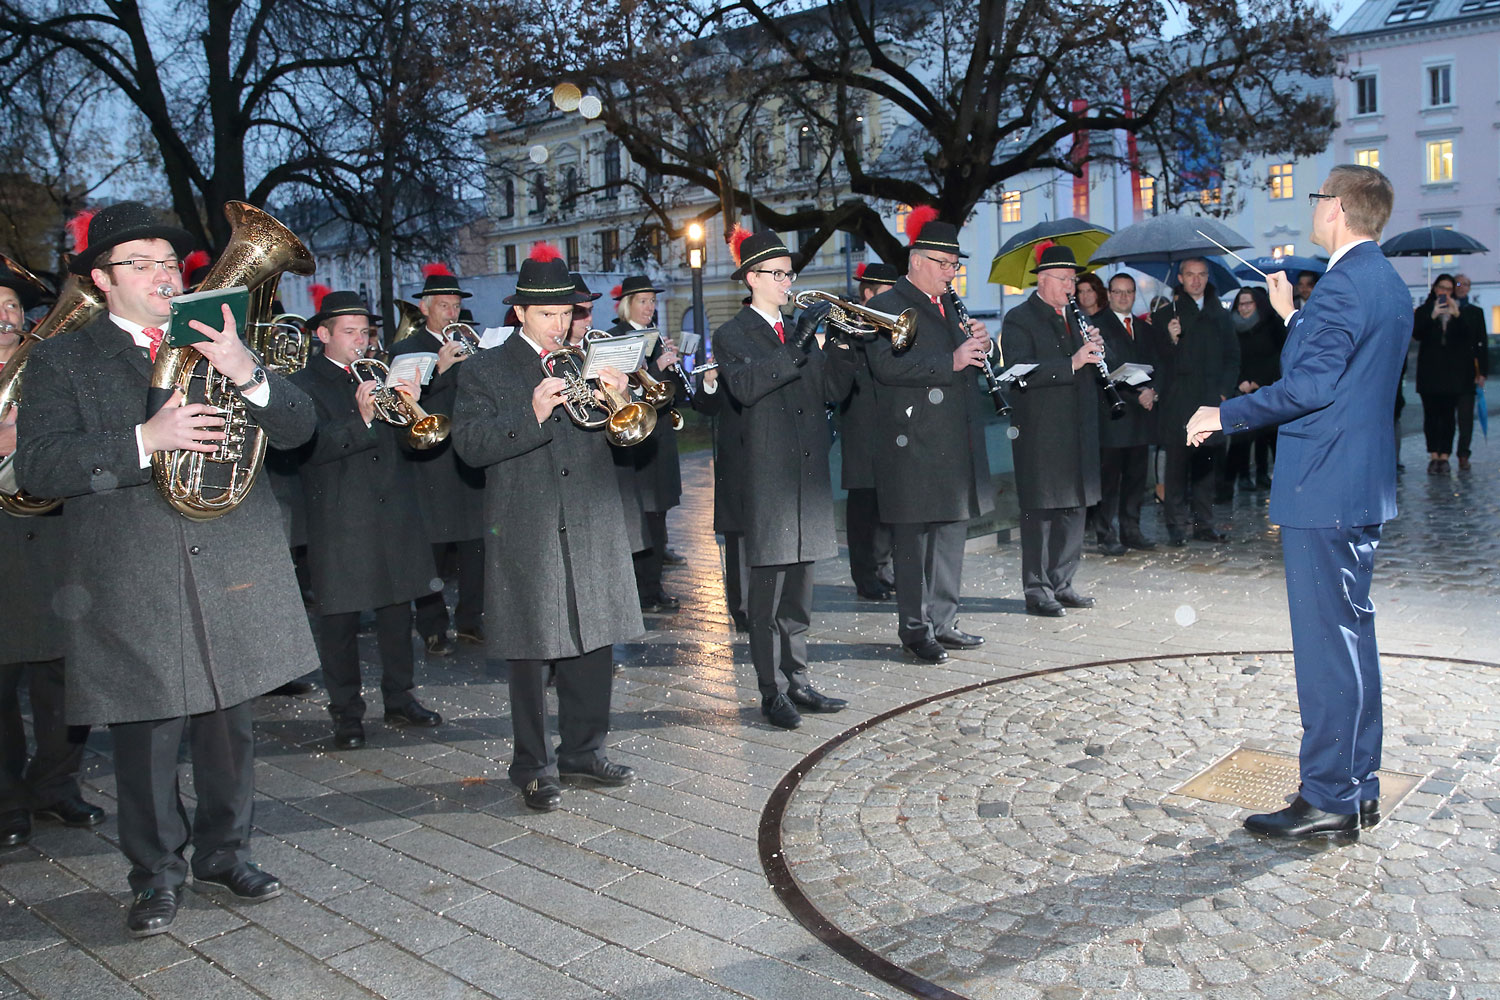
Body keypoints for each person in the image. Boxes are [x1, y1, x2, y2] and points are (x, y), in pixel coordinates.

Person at [14, 202, 318, 935]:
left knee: (229, 725)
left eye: (168, 263)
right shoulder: (62, 357)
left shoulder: (223, 336)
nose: (162, 276)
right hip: (132, 569)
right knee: (147, 734)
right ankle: (155, 873)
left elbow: (303, 430)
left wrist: (246, 370)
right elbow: (39, 466)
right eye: (140, 265)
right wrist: (144, 440)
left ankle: (226, 851)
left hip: (230, 562)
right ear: (100, 279)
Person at [1187, 164, 1411, 841]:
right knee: (1351, 640)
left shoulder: (1344, 285)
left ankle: (1329, 798)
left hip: (1325, 487)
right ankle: (1357, 785)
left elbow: (1310, 388)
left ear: (1337, 207)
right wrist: (1295, 317)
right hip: (1357, 485)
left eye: (1318, 199)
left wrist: (1224, 415)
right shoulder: (1384, 282)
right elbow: (1343, 367)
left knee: (1325, 651)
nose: (1314, 209)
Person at [451, 243, 641, 812]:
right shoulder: (485, 369)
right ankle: (533, 765)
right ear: (519, 314)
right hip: (526, 520)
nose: (561, 325)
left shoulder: (590, 357)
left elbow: (629, 435)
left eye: (567, 314)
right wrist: (530, 413)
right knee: (531, 650)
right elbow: (469, 446)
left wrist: (622, 397)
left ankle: (584, 750)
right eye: (547, 315)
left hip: (589, 516)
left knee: (593, 639)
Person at [712, 227, 856, 729]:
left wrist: (839, 343)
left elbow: (832, 390)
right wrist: (798, 342)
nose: (786, 282)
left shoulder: (801, 332)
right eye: (777, 274)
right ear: (751, 278)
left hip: (807, 476)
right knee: (766, 595)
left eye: (789, 274)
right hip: (767, 480)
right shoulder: (731, 334)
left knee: (800, 591)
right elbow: (749, 387)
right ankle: (770, 690)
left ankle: (798, 678)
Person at [287, 290, 443, 750]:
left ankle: (400, 696)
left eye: (366, 332)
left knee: (399, 613)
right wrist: (363, 417)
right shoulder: (302, 384)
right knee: (339, 624)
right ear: (323, 335)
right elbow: (309, 450)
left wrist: (412, 407)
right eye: (350, 332)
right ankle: (347, 714)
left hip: (394, 510)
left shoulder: (383, 376)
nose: (362, 341)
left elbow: (418, 444)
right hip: (340, 518)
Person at [0, 263, 105, 850]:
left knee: (65, 678)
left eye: (13, 305)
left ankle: (56, 786)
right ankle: (7, 798)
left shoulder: (52, 365)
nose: (5, 316)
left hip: (59, 540)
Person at [866, 207, 995, 662]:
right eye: (944, 264)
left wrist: (982, 345)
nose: (951, 273)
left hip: (953, 438)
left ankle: (945, 621)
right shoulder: (886, 306)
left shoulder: (949, 305)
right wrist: (952, 361)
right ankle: (915, 628)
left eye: (955, 266)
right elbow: (885, 367)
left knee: (950, 535)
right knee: (913, 541)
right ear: (917, 260)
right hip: (913, 441)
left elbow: (965, 358)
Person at [1000, 246, 1103, 614]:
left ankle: (1063, 582)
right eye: (1064, 279)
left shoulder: (1076, 319)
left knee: (1075, 509)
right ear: (1042, 280)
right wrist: (1072, 362)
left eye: (1073, 280)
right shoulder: (1018, 319)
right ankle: (1037, 589)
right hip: (1041, 433)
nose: (1071, 287)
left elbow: (1084, 369)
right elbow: (1018, 374)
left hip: (1078, 429)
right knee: (1040, 513)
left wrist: (1094, 351)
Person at [388, 263, 485, 656]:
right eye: (443, 306)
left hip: (469, 459)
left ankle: (471, 621)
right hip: (430, 465)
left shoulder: (473, 347)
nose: (451, 313)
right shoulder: (404, 350)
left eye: (455, 306)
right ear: (425, 308)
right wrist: (441, 369)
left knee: (476, 550)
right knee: (432, 554)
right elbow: (405, 408)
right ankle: (432, 627)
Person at [608, 275, 686, 611]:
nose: (649, 307)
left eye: (652, 302)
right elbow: (623, 392)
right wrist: (656, 366)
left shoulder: (655, 340)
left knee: (658, 519)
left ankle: (653, 588)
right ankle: (644, 591)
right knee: (640, 520)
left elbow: (671, 396)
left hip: (660, 440)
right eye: (643, 301)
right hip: (636, 446)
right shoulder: (614, 339)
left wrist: (671, 367)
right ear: (627, 305)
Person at [1150, 258, 1239, 545]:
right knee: (1176, 466)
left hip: (1210, 400)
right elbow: (1158, 361)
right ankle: (1175, 525)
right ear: (1180, 277)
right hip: (1179, 401)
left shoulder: (1220, 314)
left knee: (1205, 466)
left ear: (1207, 277)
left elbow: (1232, 357)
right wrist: (1170, 340)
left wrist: (1224, 393)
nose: (1196, 280)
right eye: (1190, 275)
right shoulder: (1166, 316)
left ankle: (1204, 524)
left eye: (1201, 275)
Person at [837, 262, 898, 600]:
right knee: (863, 507)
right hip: (861, 425)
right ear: (868, 294)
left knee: (888, 504)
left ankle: (883, 566)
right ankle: (864, 575)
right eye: (884, 295)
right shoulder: (847, 326)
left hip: (890, 424)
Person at [1094, 272, 1157, 554]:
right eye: (1117, 292)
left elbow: (1158, 364)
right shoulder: (1097, 327)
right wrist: (1138, 394)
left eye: (1129, 292)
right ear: (1108, 294)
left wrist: (1154, 391)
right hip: (1114, 416)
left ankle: (1132, 531)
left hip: (1142, 417)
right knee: (1109, 483)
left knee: (1135, 480)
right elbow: (1106, 371)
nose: (1123, 297)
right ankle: (1106, 534)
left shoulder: (1144, 329)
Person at [1413, 273, 1488, 474]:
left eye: (1448, 289)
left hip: (1452, 374)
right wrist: (1433, 315)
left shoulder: (1459, 311)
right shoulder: (1424, 310)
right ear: (1435, 289)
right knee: (1431, 416)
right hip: (1429, 373)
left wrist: (1456, 316)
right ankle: (1433, 455)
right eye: (1441, 288)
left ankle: (1444, 455)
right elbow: (1417, 333)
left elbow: (1469, 338)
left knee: (1447, 416)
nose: (1444, 292)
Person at [1225, 287, 1285, 492]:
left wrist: (1258, 381)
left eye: (1248, 303)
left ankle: (1265, 475)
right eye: (1241, 304)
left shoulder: (1270, 325)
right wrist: (1241, 382)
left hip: (1267, 387)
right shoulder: (1231, 327)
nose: (1244, 308)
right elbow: (1230, 359)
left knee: (1269, 436)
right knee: (1241, 436)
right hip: (1241, 389)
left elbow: (1278, 356)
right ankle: (1241, 477)